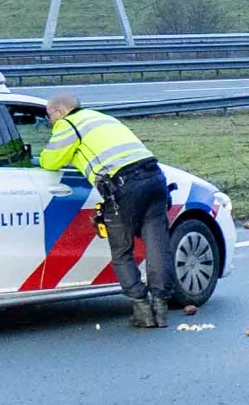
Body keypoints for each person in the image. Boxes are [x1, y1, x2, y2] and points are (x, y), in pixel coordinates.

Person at [34, 94, 181, 329]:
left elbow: (50, 161)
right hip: (155, 178)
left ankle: (142, 309)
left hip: (124, 186)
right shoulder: (103, 119)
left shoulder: (68, 124)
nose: (49, 122)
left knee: (122, 252)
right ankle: (161, 309)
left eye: (49, 116)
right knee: (157, 247)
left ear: (60, 111)